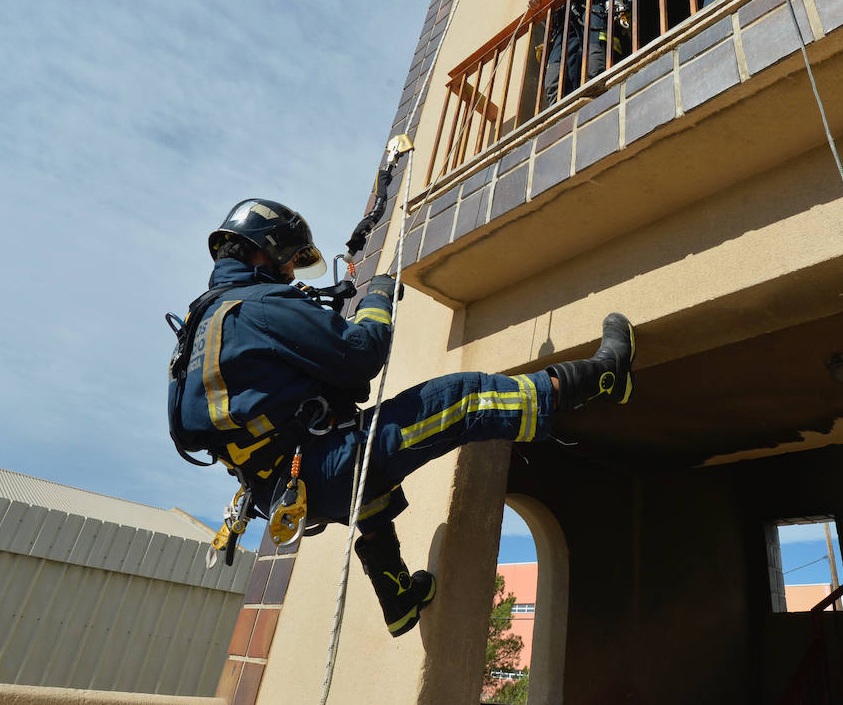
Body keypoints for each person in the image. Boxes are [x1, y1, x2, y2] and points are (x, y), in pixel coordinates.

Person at [167, 198, 636, 637]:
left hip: (277, 488)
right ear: (266, 252)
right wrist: (379, 297)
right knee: (464, 398)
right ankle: (603, 377)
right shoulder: (260, 307)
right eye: (289, 260)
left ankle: (399, 602)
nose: (292, 272)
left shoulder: (202, 324)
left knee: (370, 480)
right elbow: (360, 355)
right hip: (318, 468)